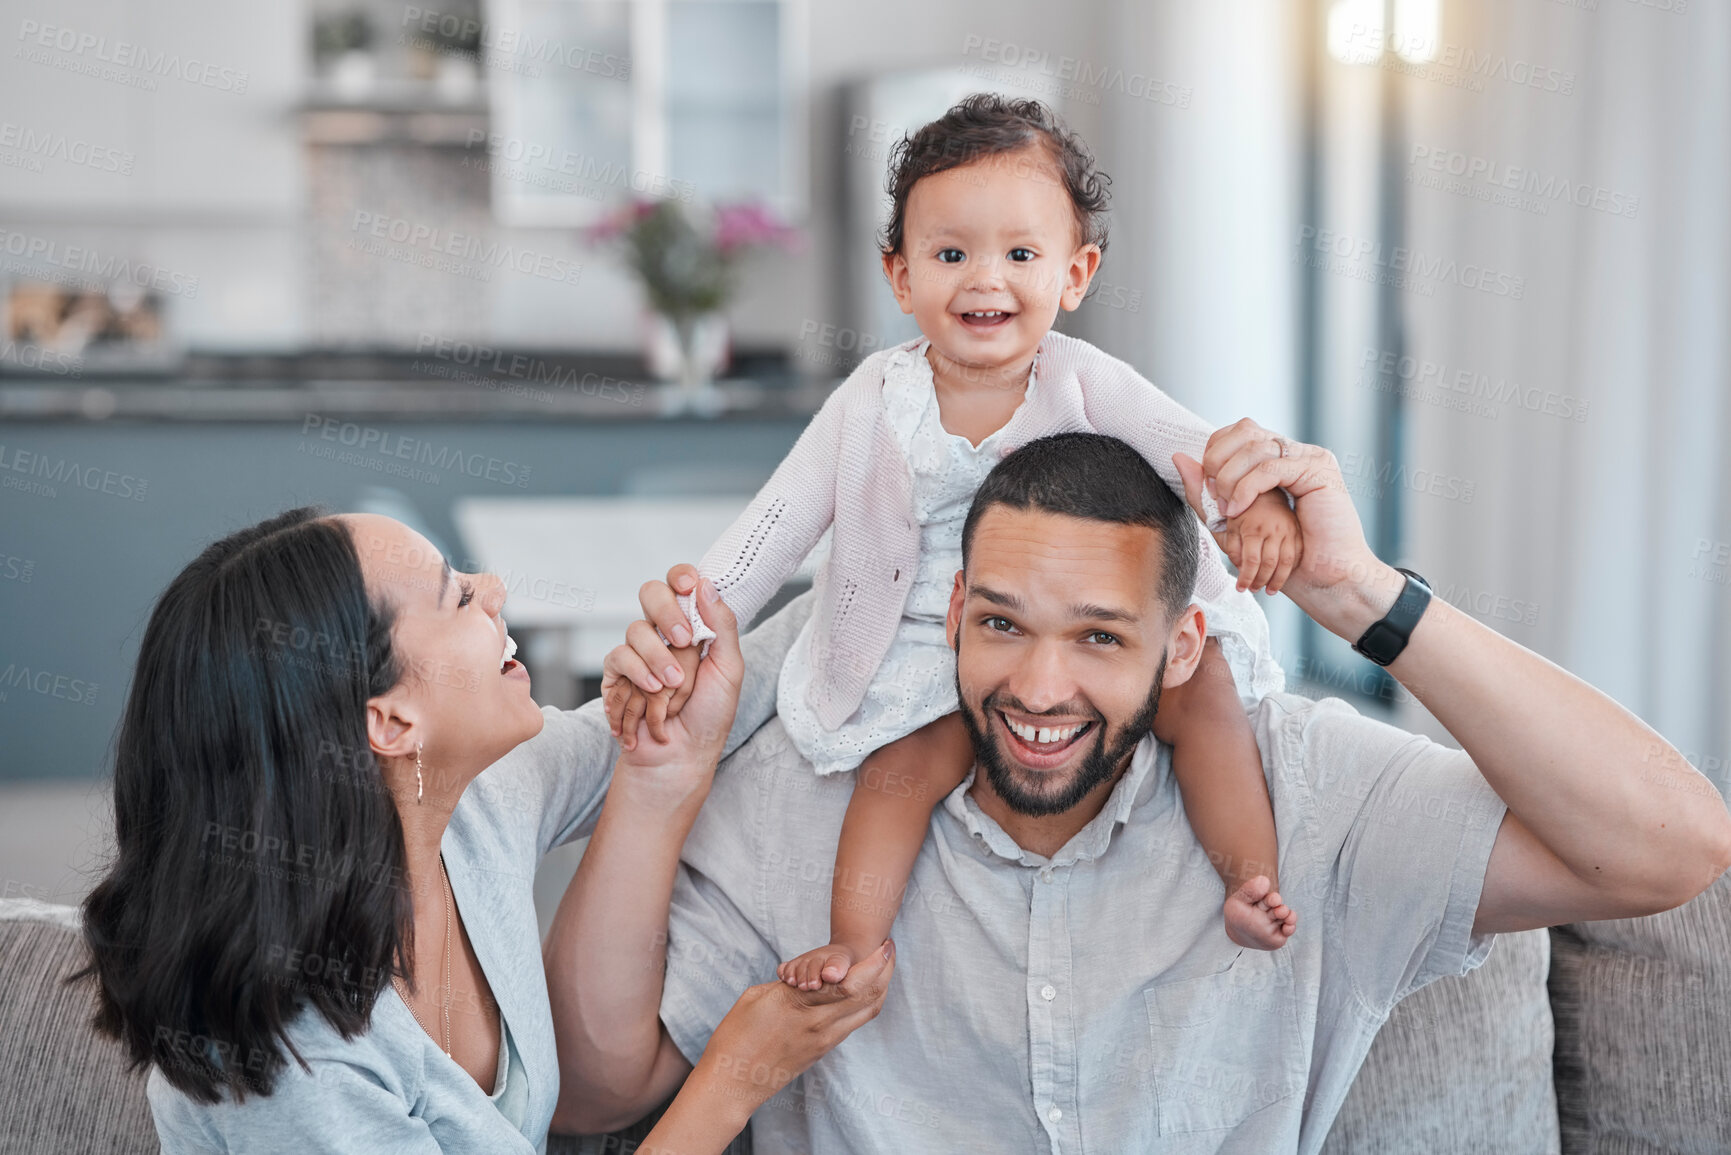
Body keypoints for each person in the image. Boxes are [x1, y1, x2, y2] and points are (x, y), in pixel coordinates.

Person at [582, 426, 1731, 1151]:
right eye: (1001, 625)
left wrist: (1357, 592)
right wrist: (658, 781)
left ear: (1182, 649)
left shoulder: (1309, 794)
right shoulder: (810, 795)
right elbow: (596, 1091)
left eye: (1098, 637)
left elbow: (1668, 849)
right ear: (952, 619)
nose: (1038, 685)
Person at [618, 93, 1305, 993]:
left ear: (1076, 272)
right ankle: (854, 945)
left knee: (1204, 691)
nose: (986, 279)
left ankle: (1247, 878)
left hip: (1075, 618)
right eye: (950, 254)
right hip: (923, 641)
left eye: (1021, 254)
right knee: (898, 774)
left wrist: (1255, 503)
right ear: (900, 277)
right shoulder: (874, 398)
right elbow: (774, 528)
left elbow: (1196, 455)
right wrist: (694, 618)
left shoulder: (1085, 379)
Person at [76, 508, 890, 1154]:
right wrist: (735, 1077)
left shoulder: (465, 808)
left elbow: (676, 711)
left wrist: (911, 567)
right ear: (389, 720)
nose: (493, 586)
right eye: (458, 596)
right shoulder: (298, 1059)